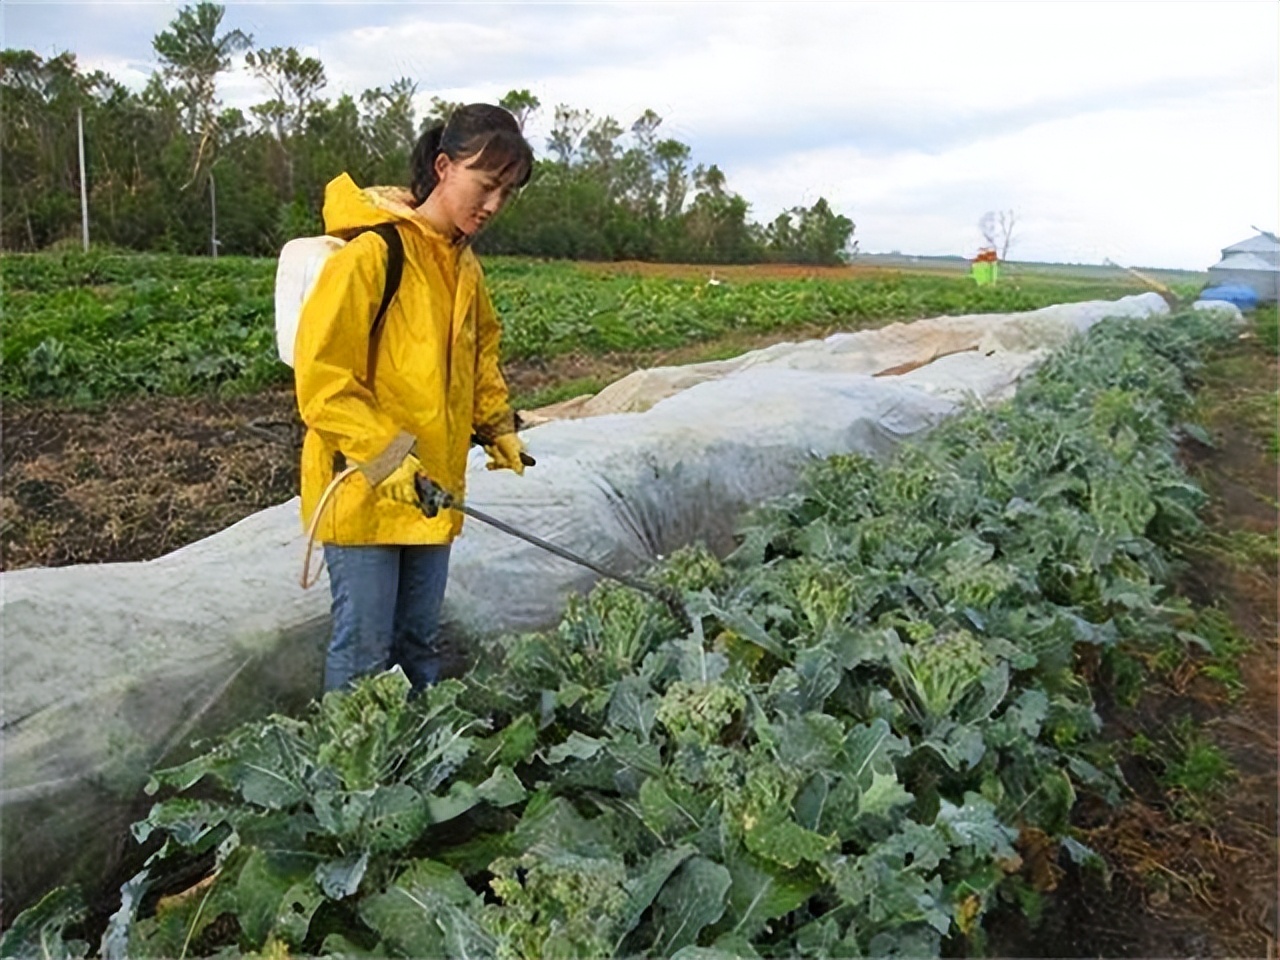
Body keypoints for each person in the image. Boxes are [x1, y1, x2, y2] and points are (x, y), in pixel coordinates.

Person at [293, 103, 533, 693]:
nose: (494, 205)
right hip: (365, 486)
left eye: (507, 193)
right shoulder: (374, 256)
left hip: (435, 488)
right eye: (486, 186)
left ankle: (418, 766)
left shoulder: (462, 265)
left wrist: (496, 422)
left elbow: (478, 355)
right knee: (364, 650)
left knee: (418, 642)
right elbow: (323, 381)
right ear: (445, 166)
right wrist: (386, 455)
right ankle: (350, 780)